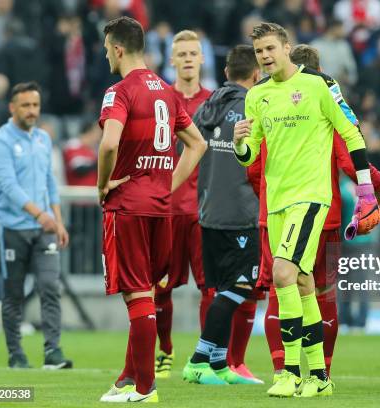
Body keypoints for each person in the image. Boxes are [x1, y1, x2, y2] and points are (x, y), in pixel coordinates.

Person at [233, 22, 380, 398]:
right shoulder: (257, 96)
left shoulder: (318, 86)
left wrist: (366, 186)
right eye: (259, 52)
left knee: (284, 274)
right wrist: (239, 144)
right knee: (303, 284)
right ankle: (319, 376)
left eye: (271, 48)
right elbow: (251, 155)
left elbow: (350, 133)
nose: (266, 56)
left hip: (311, 197)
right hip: (276, 203)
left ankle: (289, 373)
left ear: (287, 47)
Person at [96, 17, 206, 403]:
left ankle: (145, 388)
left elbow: (109, 144)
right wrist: (167, 186)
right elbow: (197, 145)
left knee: (137, 295)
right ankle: (129, 378)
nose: (106, 53)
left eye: (108, 47)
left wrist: (102, 184)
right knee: (145, 294)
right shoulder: (167, 92)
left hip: (128, 207)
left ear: (119, 48)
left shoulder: (120, 92)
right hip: (162, 210)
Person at [182, 44, 263, 385]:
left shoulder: (208, 105)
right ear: (257, 75)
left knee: (223, 288)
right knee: (240, 286)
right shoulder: (253, 106)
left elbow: (188, 146)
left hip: (209, 210)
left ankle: (218, 364)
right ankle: (198, 359)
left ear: (227, 73)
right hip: (240, 212)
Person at [0, 81, 71, 370]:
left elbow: (50, 181)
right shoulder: (0, 141)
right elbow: (8, 185)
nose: (32, 111)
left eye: (35, 105)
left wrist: (57, 221)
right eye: (26, 105)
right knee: (13, 294)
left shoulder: (43, 139)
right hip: (12, 228)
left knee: (50, 286)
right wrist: (40, 214)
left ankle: (52, 351)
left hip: (44, 228)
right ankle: (16, 354)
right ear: (13, 108)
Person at [153, 29, 214, 380]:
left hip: (205, 210)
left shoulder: (215, 101)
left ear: (202, 58)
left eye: (194, 53)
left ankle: (205, 355)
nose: (189, 58)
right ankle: (165, 349)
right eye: (183, 54)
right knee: (162, 286)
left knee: (209, 287)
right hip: (168, 208)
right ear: (172, 59)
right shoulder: (161, 101)